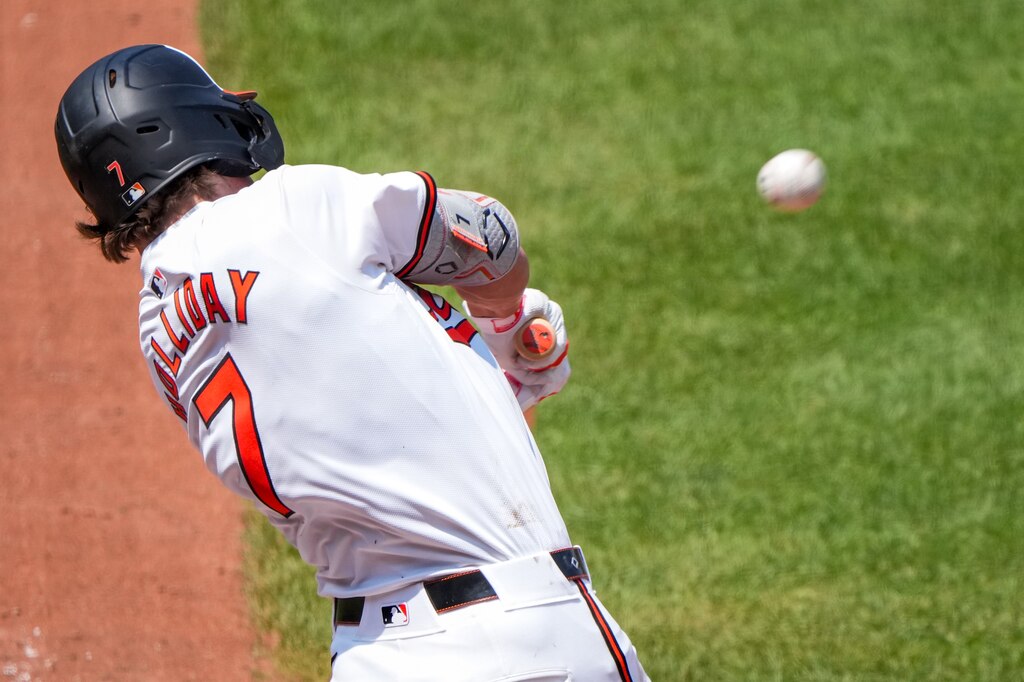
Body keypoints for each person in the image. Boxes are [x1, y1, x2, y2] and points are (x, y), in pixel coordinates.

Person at [55, 44, 649, 681]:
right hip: (527, 641)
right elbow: (488, 235)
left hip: (376, 657)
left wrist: (504, 382)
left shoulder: (162, 335)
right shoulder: (286, 209)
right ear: (190, 124)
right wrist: (504, 316)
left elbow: (377, 437)